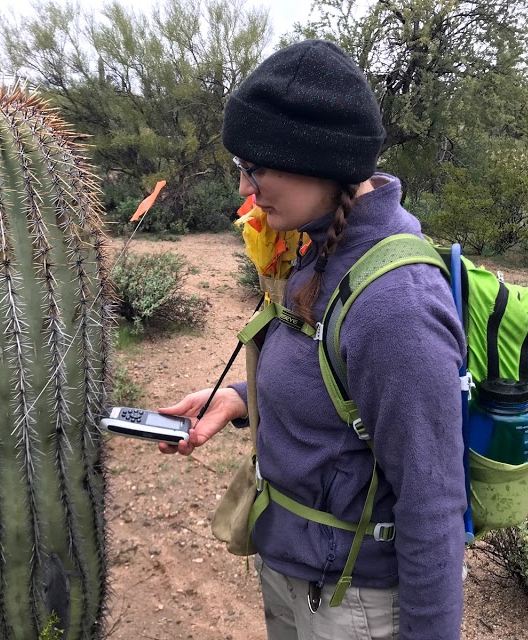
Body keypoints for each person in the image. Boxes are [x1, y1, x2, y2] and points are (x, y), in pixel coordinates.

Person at [158, 39, 467, 640]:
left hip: (354, 600)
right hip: (294, 568)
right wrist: (241, 400)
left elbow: (433, 501)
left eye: (258, 168)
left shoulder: (397, 307)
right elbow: (335, 385)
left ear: (321, 161)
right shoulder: (317, 243)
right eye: (240, 167)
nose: (246, 189)